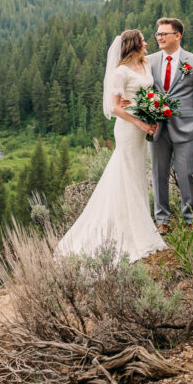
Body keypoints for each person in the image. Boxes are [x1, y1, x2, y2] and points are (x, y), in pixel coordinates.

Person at [55, 29, 167, 261]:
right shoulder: (120, 71)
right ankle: (134, 232)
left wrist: (153, 111)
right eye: (143, 40)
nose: (147, 43)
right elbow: (115, 107)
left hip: (142, 125)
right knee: (126, 174)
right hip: (128, 128)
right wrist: (141, 122)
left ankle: (135, 223)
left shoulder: (145, 64)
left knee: (136, 174)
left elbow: (147, 93)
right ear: (134, 45)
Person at [145, 18, 193, 234]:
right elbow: (144, 92)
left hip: (186, 128)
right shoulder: (149, 61)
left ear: (178, 35)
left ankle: (191, 218)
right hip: (157, 129)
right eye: (158, 34)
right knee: (158, 174)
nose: (159, 37)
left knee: (186, 175)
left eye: (164, 34)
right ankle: (162, 220)